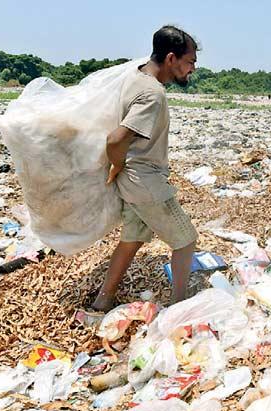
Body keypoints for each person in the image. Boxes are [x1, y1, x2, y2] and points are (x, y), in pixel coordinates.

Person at [93, 25, 199, 312]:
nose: (191, 70)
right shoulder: (153, 94)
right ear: (171, 59)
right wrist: (117, 163)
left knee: (132, 239)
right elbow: (115, 139)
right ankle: (180, 306)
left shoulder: (135, 76)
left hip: (132, 182)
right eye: (190, 62)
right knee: (186, 240)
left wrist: (120, 167)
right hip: (145, 182)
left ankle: (103, 299)